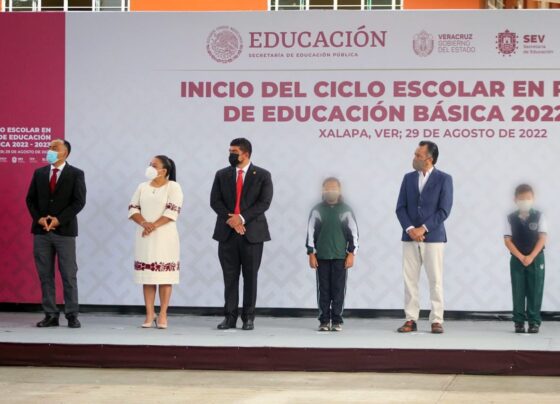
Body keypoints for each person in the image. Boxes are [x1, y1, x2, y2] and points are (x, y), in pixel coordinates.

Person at [210, 138, 273, 331]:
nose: (230, 155)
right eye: (230, 151)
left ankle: (248, 318)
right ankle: (229, 318)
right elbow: (215, 201)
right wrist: (232, 220)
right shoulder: (221, 174)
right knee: (230, 277)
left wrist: (242, 218)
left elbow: (264, 203)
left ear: (245, 154)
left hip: (252, 234)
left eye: (234, 152)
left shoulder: (262, 175)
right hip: (227, 233)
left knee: (250, 277)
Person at [25, 139, 86, 328]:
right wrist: (39, 219)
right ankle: (50, 315)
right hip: (41, 231)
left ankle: (72, 315)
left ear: (65, 152)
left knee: (69, 274)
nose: (50, 150)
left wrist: (59, 220)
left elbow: (79, 202)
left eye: (54, 148)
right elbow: (30, 199)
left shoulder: (76, 173)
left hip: (64, 232)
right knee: (45, 275)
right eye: (49, 147)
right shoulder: (39, 173)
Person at [395, 141, 453, 334]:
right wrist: (411, 229)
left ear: (429, 158)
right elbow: (400, 208)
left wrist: (424, 229)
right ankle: (410, 319)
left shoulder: (444, 179)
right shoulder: (408, 178)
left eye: (418, 155)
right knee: (410, 279)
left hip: (434, 237)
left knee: (435, 280)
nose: (414, 158)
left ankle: (436, 320)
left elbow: (444, 210)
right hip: (409, 237)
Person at [128, 155, 183, 329]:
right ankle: (149, 314)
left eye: (154, 165)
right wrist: (144, 223)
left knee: (165, 277)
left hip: (165, 237)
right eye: (150, 164)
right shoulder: (142, 187)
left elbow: (172, 211)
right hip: (145, 236)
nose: (150, 167)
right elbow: (133, 208)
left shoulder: (173, 187)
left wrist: (153, 225)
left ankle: (163, 314)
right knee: (148, 277)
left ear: (164, 170)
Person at [306, 177, 359, 332]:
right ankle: (324, 320)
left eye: (334, 188)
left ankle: (336, 320)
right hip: (321, 257)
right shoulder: (317, 210)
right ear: (323, 190)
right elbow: (310, 233)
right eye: (328, 188)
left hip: (340, 257)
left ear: (339, 190)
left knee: (338, 290)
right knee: (323, 290)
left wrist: (352, 253)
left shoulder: (346, 210)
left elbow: (354, 233)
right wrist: (311, 253)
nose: (331, 191)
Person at [504, 184, 547, 334]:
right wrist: (521, 257)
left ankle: (534, 322)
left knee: (535, 290)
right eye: (522, 199)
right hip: (517, 259)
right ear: (515, 200)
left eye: (528, 199)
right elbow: (507, 240)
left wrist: (531, 256)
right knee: (518, 290)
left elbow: (542, 238)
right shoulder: (510, 218)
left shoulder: (539, 216)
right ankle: (519, 322)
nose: (525, 202)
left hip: (536, 258)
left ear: (533, 199)